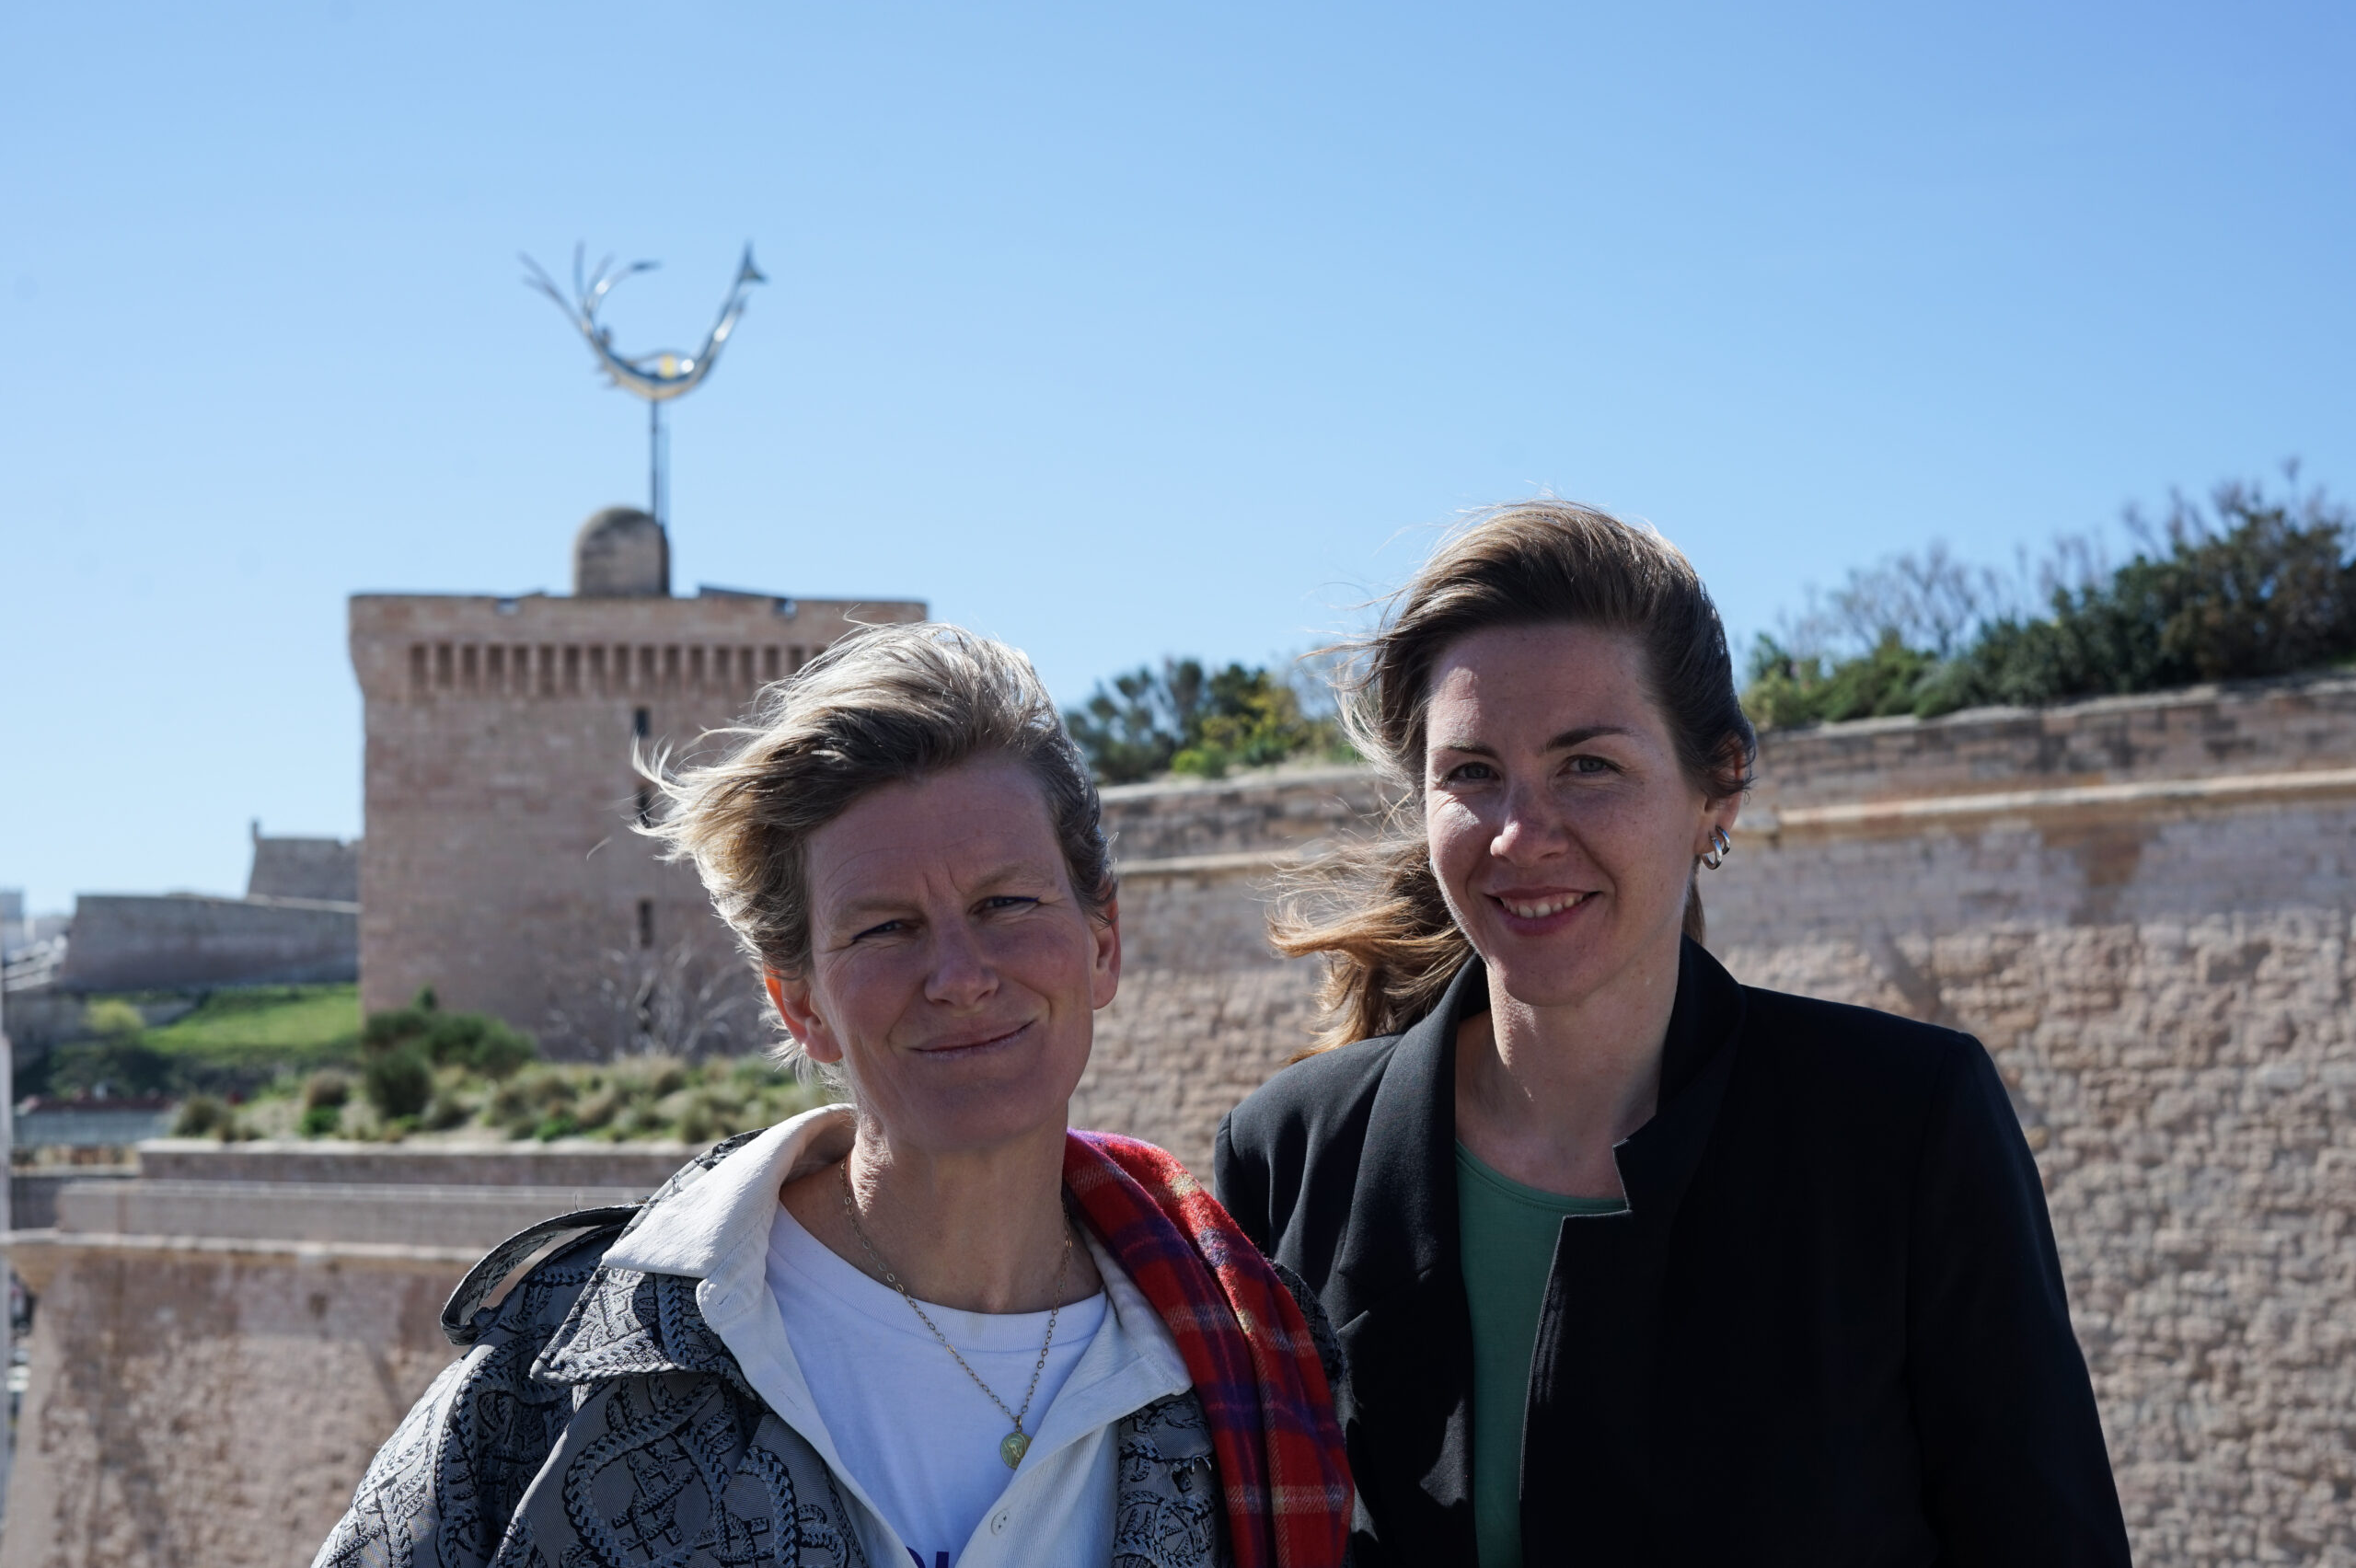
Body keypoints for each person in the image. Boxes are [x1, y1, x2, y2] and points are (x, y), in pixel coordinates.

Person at [316, 624, 1350, 1568]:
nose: (959, 974)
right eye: (885, 928)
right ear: (799, 1002)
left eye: (1007, 903)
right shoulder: (558, 1381)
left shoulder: (1257, 1363)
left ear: (1103, 943)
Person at [1214, 502, 2132, 1566]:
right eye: (1470, 773)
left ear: (1719, 789)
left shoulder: (1901, 1126)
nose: (1520, 833)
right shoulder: (1288, 1156)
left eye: (1587, 765)